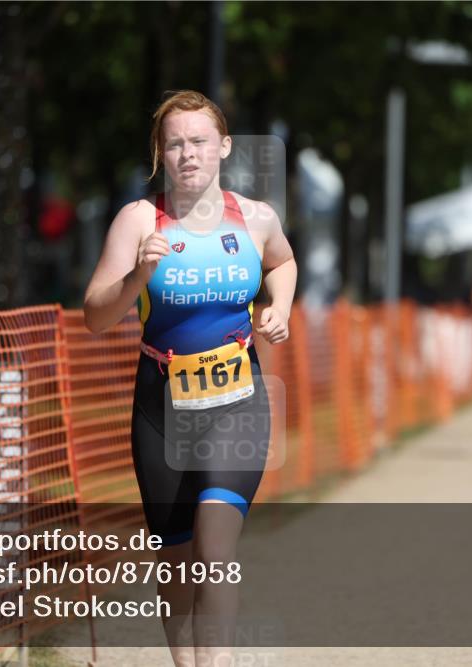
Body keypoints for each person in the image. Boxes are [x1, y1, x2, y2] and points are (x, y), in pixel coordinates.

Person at [83, 90, 297, 666]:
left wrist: (280, 306)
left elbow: (283, 261)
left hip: (238, 401)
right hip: (161, 407)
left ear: (223, 146)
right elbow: (95, 316)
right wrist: (137, 276)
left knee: (215, 544)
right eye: (174, 144)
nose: (188, 154)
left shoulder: (254, 218)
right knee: (175, 562)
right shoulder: (137, 220)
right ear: (160, 154)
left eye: (199, 141)